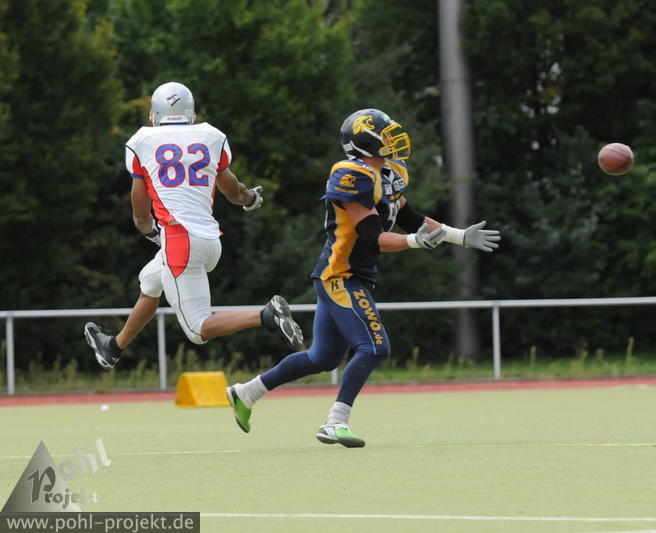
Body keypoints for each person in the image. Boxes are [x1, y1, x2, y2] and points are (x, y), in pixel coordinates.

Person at [225, 108, 500, 447]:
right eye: (385, 135)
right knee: (374, 346)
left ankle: (246, 393)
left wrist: (458, 235)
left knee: (322, 357)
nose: (394, 139)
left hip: (354, 275)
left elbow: (412, 219)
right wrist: (415, 243)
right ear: (365, 142)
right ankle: (335, 422)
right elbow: (373, 237)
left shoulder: (389, 172)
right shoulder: (351, 174)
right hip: (341, 275)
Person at [84, 82, 303, 369]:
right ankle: (113, 348)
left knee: (197, 330)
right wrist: (251, 199)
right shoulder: (211, 137)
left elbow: (141, 217)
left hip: (180, 241)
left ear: (153, 115)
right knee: (150, 282)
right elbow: (234, 192)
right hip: (210, 241)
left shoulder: (142, 142)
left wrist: (154, 234)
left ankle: (266, 316)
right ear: (193, 114)